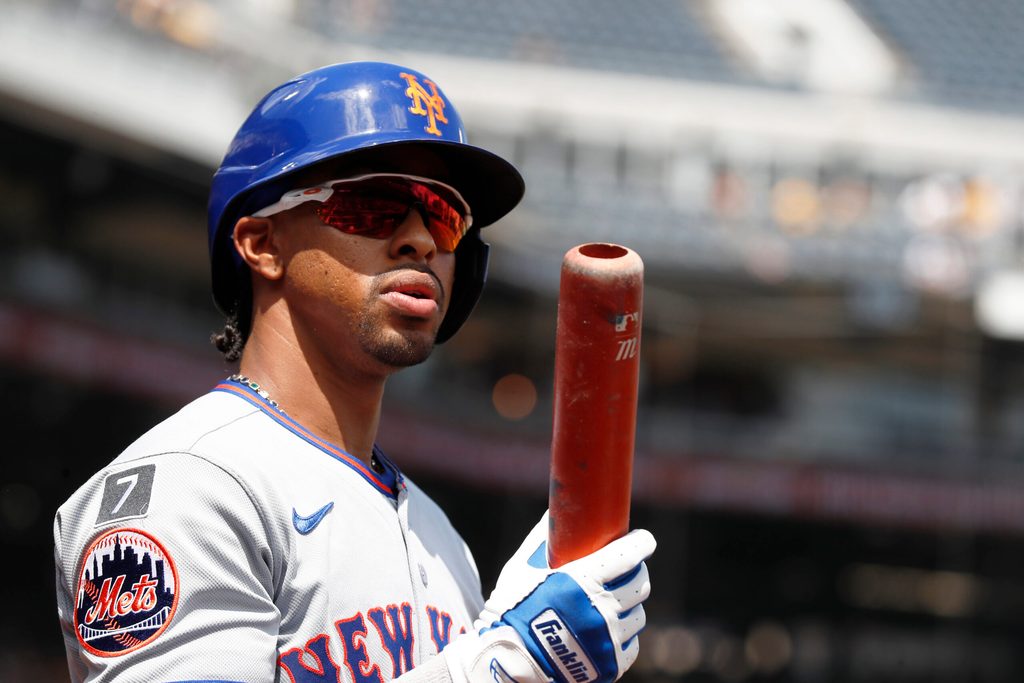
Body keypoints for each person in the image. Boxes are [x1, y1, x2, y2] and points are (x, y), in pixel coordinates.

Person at [53, 60, 656, 683]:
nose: (420, 240)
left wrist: (507, 652)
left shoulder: (439, 536)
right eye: (372, 205)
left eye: (443, 216)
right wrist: (499, 669)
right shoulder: (188, 485)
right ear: (262, 244)